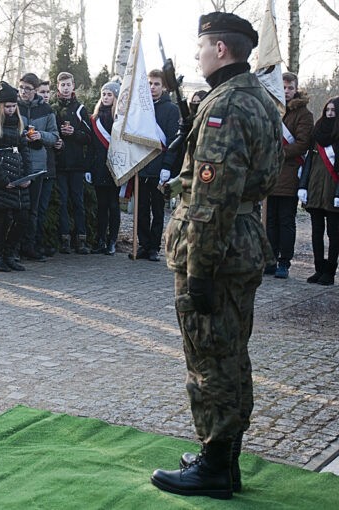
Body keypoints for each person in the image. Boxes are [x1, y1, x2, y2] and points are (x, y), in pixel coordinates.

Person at [151, 12, 283, 499]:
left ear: (220, 50)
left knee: (210, 358)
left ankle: (214, 466)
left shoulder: (227, 106)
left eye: (202, 47)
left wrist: (199, 270)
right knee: (231, 353)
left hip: (218, 251)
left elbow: (211, 204)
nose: (197, 55)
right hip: (243, 241)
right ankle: (224, 459)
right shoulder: (259, 98)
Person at [265, 72, 314, 278]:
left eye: (290, 88)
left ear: (296, 89)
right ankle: (270, 258)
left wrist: (278, 154)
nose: (286, 91)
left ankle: (284, 262)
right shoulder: (271, 109)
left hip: (289, 172)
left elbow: (303, 143)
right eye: (283, 87)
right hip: (269, 174)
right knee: (270, 220)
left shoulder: (304, 114)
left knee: (285, 220)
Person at [129, 70, 180, 262]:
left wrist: (167, 166)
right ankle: (142, 244)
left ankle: (153, 247)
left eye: (156, 84)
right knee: (140, 208)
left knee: (157, 210)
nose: (152, 87)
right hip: (142, 166)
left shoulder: (171, 110)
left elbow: (173, 141)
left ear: (164, 86)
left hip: (160, 169)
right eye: (149, 83)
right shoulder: (141, 108)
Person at [0, 82, 32, 272]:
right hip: (0, 179)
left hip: (18, 175)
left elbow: (24, 150)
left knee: (23, 217)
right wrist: (3, 180)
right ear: (0, 105)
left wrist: (28, 175)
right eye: (7, 106)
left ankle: (10, 253)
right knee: (0, 217)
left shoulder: (19, 122)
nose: (11, 110)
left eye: (14, 106)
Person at [17, 72, 59, 261]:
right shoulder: (13, 106)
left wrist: (40, 135)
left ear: (35, 90)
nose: (23, 92)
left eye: (28, 89)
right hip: (17, 163)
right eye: (21, 87)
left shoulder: (47, 110)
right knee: (16, 207)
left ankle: (30, 245)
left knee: (34, 208)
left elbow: (55, 136)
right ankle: (14, 247)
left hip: (38, 165)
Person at [50, 71, 92, 254]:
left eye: (68, 85)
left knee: (78, 201)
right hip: (59, 163)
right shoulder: (53, 109)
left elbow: (89, 137)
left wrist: (74, 133)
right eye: (62, 85)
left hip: (76, 164)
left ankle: (81, 239)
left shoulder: (81, 109)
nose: (65, 88)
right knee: (63, 201)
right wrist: (58, 138)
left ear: (73, 86)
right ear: (57, 86)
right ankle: (64, 239)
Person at [298, 96, 339, 285]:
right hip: (315, 189)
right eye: (327, 110)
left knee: (334, 233)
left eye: (333, 111)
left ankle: (330, 272)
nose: (330, 113)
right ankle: (318, 268)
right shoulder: (317, 133)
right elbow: (309, 162)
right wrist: (303, 186)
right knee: (316, 232)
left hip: (332, 191)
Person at [89, 81, 121, 256]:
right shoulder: (95, 119)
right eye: (104, 94)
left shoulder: (121, 118)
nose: (106, 97)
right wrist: (89, 168)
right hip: (99, 167)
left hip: (115, 166)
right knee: (101, 205)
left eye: (110, 94)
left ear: (115, 97)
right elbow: (93, 146)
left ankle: (112, 241)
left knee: (113, 205)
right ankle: (100, 239)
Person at [35, 80, 58, 256]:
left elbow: (55, 137)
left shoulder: (50, 112)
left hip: (49, 166)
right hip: (35, 165)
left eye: (47, 91)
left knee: (42, 208)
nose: (45, 94)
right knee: (33, 209)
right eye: (41, 91)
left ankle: (39, 242)